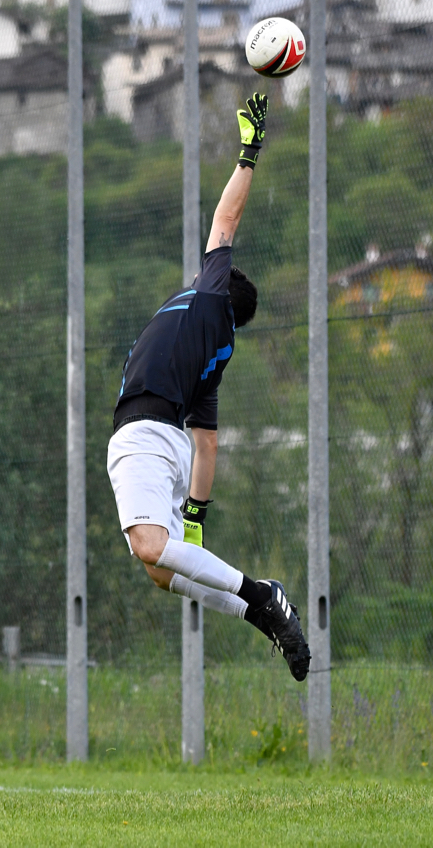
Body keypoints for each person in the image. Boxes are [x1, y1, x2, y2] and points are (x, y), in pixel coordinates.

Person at [106, 93, 310, 681]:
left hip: (144, 434)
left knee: (150, 548)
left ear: (219, 283)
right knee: (162, 571)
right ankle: (259, 613)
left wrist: (249, 152)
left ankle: (261, 594)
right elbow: (208, 441)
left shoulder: (209, 295)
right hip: (168, 443)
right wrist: (195, 511)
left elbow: (225, 221)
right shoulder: (217, 350)